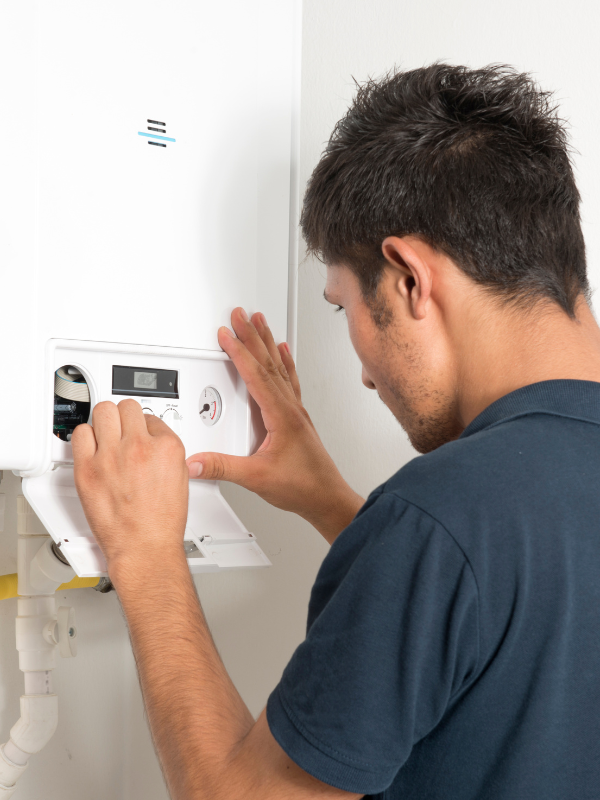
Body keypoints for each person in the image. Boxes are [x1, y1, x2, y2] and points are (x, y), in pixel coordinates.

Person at [72, 64, 600, 799]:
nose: (361, 376)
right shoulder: (465, 526)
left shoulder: (443, 520)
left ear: (409, 278)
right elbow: (518, 614)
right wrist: (334, 504)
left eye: (341, 306)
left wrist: (145, 553)